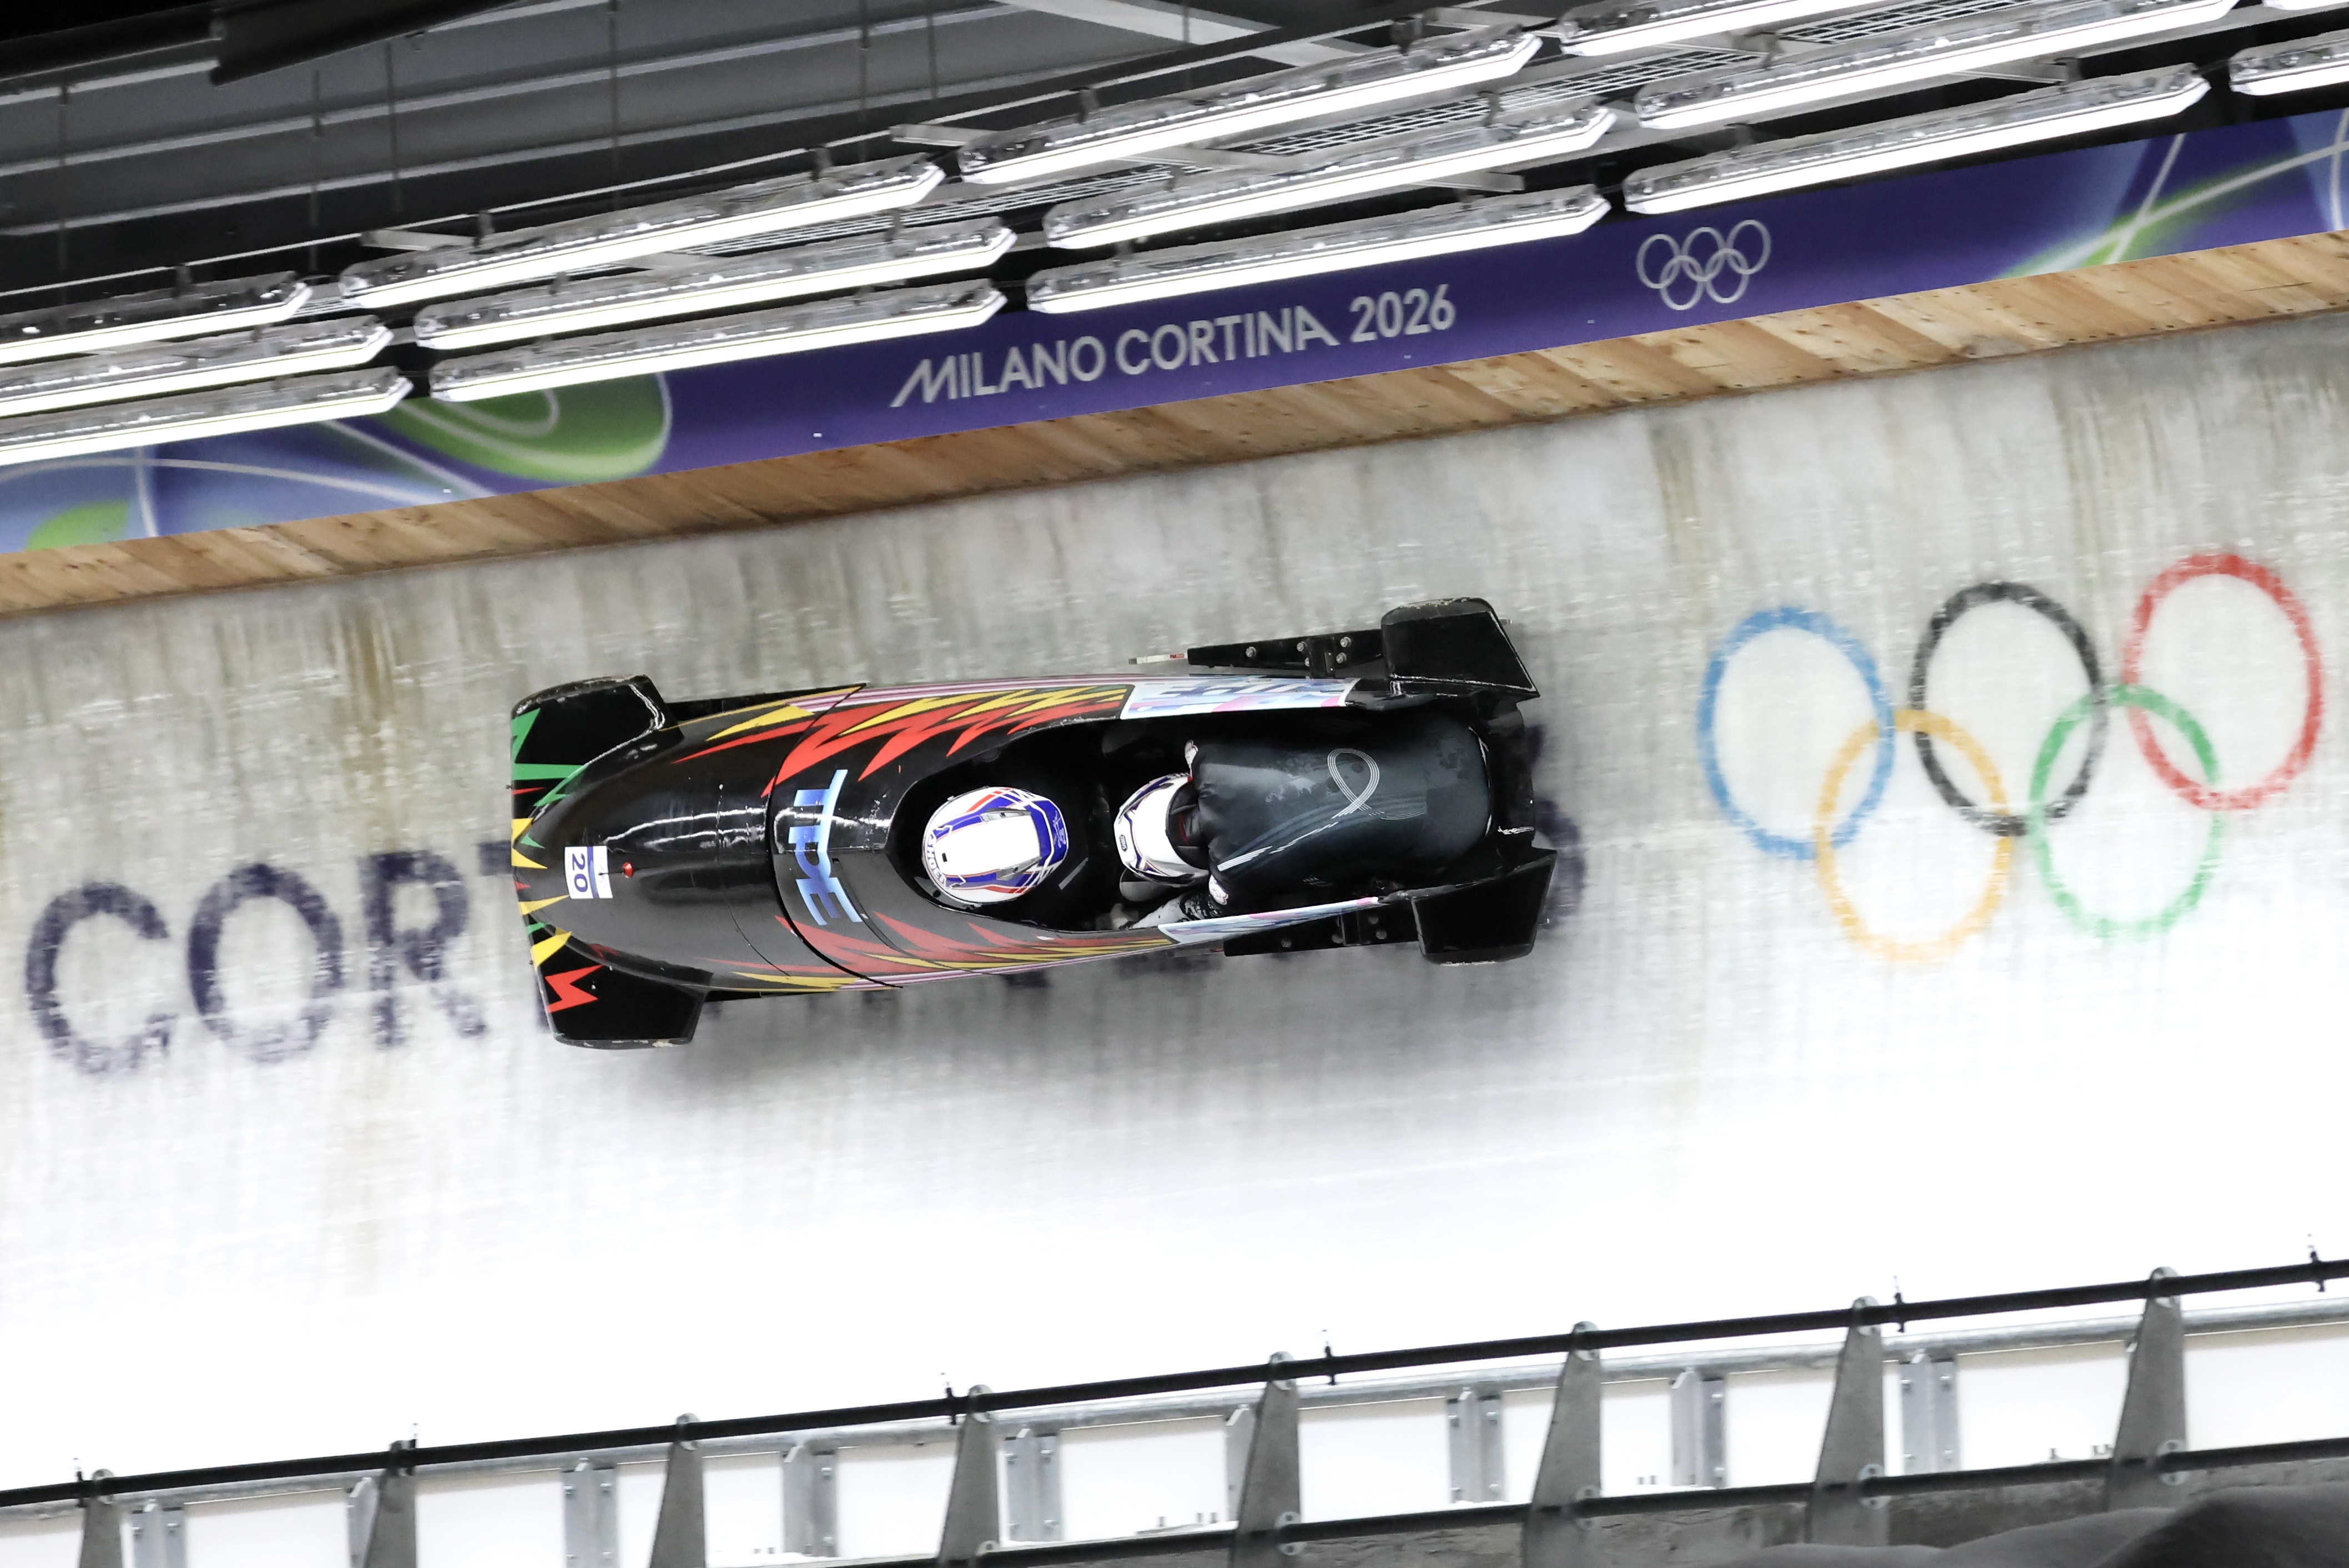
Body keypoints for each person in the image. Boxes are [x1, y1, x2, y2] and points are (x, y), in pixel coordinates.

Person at [1112, 709, 1491, 914]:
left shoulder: (1228, 884)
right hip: (1441, 734)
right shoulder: (1205, 752)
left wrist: (1132, 924)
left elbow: (1192, 914)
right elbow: (1181, 733)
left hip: (1455, 831)